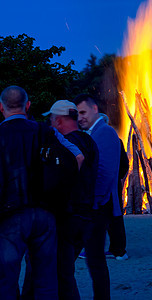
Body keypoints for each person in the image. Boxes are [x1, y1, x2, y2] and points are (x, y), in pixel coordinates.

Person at [0, 86, 83, 299]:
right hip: (45, 213)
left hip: (9, 216)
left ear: (1, 107)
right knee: (45, 281)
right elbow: (77, 156)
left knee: (6, 280)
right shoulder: (45, 131)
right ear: (28, 106)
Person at [42, 99, 102, 299]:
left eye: (51, 119)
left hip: (70, 215)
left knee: (62, 273)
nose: (50, 123)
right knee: (64, 271)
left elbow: (60, 180)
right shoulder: (89, 141)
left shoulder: (67, 145)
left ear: (58, 120)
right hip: (86, 216)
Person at [73, 94, 121, 300]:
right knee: (94, 259)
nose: (80, 117)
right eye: (77, 114)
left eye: (83, 112)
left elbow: (105, 172)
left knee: (95, 260)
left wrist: (93, 203)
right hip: (94, 206)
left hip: (97, 207)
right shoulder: (94, 132)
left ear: (95, 109)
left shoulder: (106, 132)